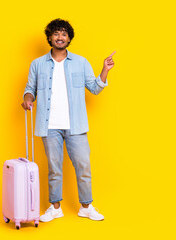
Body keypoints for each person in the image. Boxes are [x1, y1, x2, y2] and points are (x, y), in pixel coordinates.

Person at [21, 18, 115, 222]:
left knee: (83, 166)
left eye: (64, 33)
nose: (60, 36)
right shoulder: (37, 64)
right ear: (50, 37)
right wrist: (28, 99)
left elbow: (95, 88)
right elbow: (30, 89)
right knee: (54, 168)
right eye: (56, 33)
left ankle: (86, 207)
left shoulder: (81, 62)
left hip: (76, 125)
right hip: (49, 126)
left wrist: (105, 70)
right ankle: (55, 208)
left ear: (69, 38)